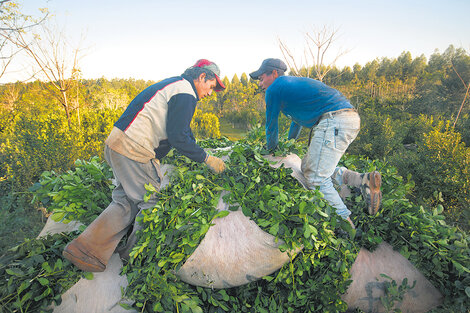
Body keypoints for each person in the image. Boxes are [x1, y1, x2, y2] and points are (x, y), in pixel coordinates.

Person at [63, 59, 227, 272]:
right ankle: (135, 259)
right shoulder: (186, 92)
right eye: (211, 87)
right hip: (134, 148)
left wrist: (195, 148)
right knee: (152, 202)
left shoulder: (175, 85)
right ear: (202, 76)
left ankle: (85, 250)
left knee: (125, 201)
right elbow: (179, 137)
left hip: (118, 142)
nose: (210, 93)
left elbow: (183, 132)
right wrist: (207, 159)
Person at [250, 58, 382, 228]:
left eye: (261, 78)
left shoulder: (275, 88)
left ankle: (346, 225)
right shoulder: (291, 87)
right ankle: (361, 180)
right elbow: (296, 122)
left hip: (334, 120)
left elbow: (271, 125)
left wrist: (272, 150)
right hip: (348, 119)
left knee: (315, 178)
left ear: (274, 74)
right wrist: (288, 145)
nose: (260, 84)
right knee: (307, 167)